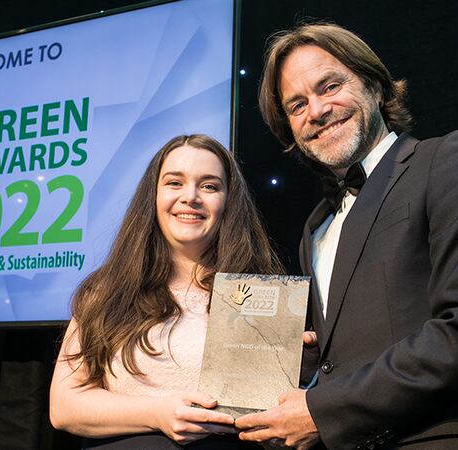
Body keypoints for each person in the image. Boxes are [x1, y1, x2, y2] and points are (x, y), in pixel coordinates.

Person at [236, 23, 458, 449]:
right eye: (296, 105)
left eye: (329, 86)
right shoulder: (314, 227)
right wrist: (306, 364)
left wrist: (323, 409)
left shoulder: (454, 158)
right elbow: (352, 353)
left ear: (374, 86)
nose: (316, 111)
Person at [49, 134, 288, 449]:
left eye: (209, 186)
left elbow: (275, 421)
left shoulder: (260, 291)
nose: (191, 197)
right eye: (174, 183)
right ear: (153, 196)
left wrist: (296, 368)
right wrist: (157, 412)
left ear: (230, 201)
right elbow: (64, 406)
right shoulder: (107, 291)